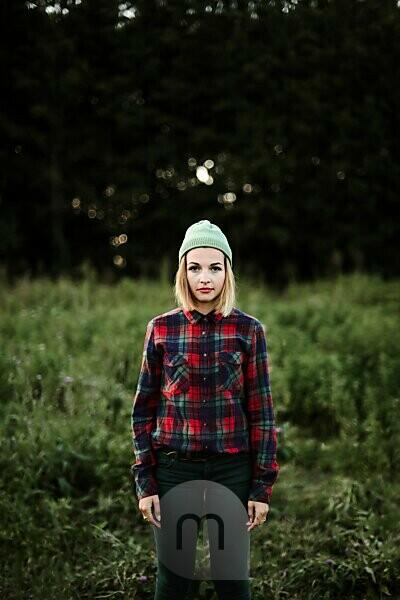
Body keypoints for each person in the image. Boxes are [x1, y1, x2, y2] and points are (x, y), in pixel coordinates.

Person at [131, 219, 280, 600]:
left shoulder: (248, 330)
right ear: (183, 271)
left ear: (227, 271)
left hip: (231, 469)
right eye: (194, 267)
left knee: (232, 581)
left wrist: (261, 485)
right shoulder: (161, 329)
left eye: (215, 267)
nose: (205, 277)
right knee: (175, 583)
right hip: (173, 468)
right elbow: (143, 409)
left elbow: (262, 412)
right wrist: (146, 481)